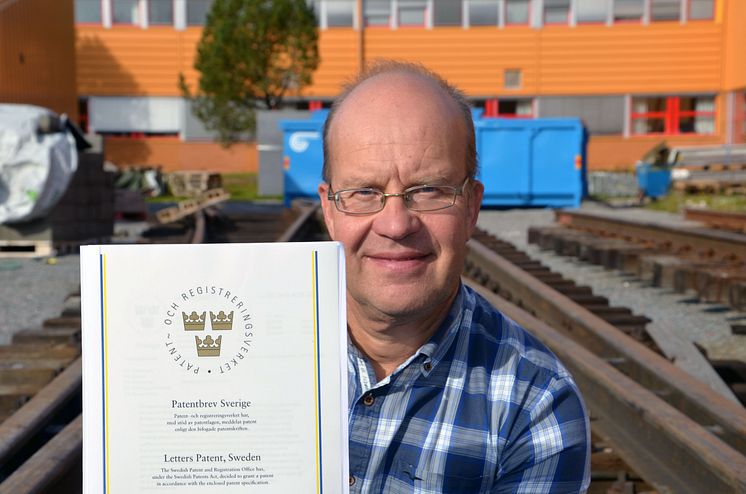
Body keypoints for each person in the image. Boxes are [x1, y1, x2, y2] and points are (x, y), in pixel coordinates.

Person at [318, 60, 590, 493]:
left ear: (471, 208)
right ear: (330, 210)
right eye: (364, 192)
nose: (395, 224)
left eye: (429, 190)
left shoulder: (535, 402)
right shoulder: (245, 360)